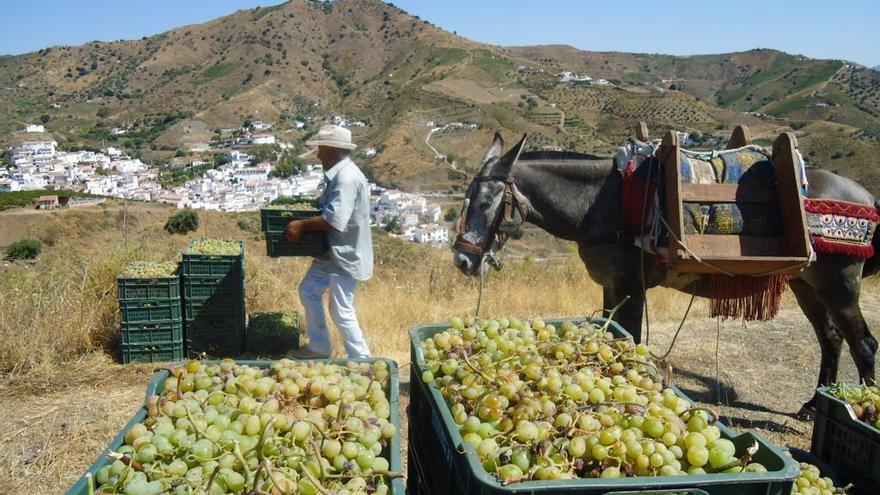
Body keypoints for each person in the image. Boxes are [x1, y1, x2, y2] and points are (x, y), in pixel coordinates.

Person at [285, 125, 373, 359]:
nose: (318, 155)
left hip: (344, 253)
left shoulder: (345, 178)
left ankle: (363, 359)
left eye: (321, 149)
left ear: (333, 151)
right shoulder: (341, 175)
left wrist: (300, 225)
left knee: (341, 309)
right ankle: (319, 347)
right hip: (332, 252)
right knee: (309, 290)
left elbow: (334, 220)